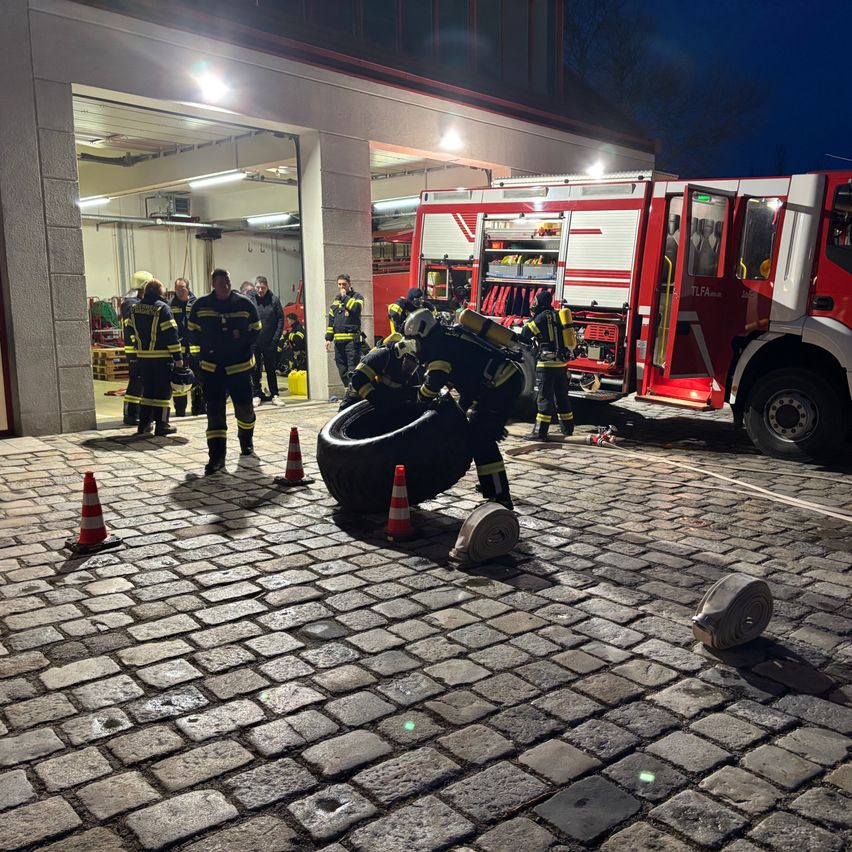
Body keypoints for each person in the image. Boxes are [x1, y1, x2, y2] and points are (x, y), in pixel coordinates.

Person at [404, 308, 523, 509]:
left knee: (480, 437)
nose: (415, 346)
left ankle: (500, 496)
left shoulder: (438, 346)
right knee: (478, 430)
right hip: (495, 384)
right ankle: (489, 482)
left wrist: (418, 401)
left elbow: (434, 382)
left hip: (501, 385)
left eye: (415, 340)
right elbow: (464, 375)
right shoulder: (445, 335)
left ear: (423, 332)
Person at [187, 268, 262, 475]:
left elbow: (256, 329)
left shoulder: (245, 303)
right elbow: (192, 332)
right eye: (221, 283)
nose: (226, 287)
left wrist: (242, 345)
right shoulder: (201, 305)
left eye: (228, 283)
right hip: (212, 370)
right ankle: (216, 456)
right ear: (213, 284)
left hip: (240, 368)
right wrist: (203, 351)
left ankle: (246, 443)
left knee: (245, 411)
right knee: (215, 413)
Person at [127, 278, 183, 436]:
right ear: (160, 292)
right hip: (161, 357)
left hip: (143, 358)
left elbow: (130, 330)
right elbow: (171, 334)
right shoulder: (162, 308)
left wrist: (138, 344)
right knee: (163, 393)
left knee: (147, 392)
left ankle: (144, 425)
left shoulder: (135, 308)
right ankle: (162, 425)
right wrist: (177, 357)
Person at [519, 290, 574, 440]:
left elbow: (525, 334)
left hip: (546, 366)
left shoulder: (541, 317)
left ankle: (540, 432)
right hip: (561, 365)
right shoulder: (558, 314)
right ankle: (568, 430)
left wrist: (529, 322)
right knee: (562, 397)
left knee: (544, 398)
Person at [339, 335, 420, 410]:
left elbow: (412, 389)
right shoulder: (381, 355)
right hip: (356, 399)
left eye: (414, 365)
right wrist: (377, 399)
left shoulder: (408, 370)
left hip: (381, 396)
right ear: (402, 354)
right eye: (409, 363)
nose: (410, 368)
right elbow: (358, 379)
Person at [121, 269, 152, 426]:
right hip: (135, 351)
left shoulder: (131, 303)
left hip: (139, 350)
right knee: (136, 382)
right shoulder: (130, 304)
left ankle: (136, 413)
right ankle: (131, 415)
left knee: (139, 382)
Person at [170, 277, 202, 417]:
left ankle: (199, 409)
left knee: (199, 381)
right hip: (179, 351)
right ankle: (180, 411)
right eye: (177, 289)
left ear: (188, 288)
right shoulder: (170, 305)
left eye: (182, 289)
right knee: (179, 382)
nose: (179, 292)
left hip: (196, 351)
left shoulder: (197, 304)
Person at [325, 273, 364, 385]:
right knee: (341, 368)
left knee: (352, 368)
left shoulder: (357, 297)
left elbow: (356, 309)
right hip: (338, 342)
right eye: (339, 284)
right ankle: (348, 391)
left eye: (344, 284)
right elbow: (331, 322)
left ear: (349, 284)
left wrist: (345, 297)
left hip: (351, 341)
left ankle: (354, 393)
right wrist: (328, 339)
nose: (341, 287)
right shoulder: (335, 301)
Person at [251, 276, 284, 404]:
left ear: (267, 287)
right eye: (258, 287)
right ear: (255, 287)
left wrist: (275, 338)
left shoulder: (274, 300)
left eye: (263, 288)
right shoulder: (250, 300)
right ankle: (256, 395)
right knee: (255, 370)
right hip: (254, 343)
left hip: (270, 342)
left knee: (271, 370)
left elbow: (281, 319)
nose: (260, 290)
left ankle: (275, 395)